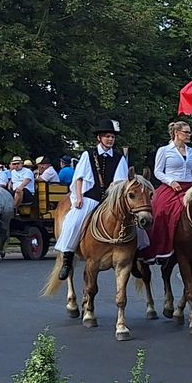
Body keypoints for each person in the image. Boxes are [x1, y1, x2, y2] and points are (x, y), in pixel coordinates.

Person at [55, 119, 129, 281]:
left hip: (110, 198)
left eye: (112, 137)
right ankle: (67, 259)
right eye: (107, 136)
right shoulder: (88, 155)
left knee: (133, 220)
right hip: (90, 196)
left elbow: (120, 181)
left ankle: (137, 256)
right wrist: (79, 197)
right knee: (73, 221)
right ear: (99, 138)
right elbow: (79, 177)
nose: (110, 139)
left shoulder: (119, 158)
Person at [145, 121, 192, 262]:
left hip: (189, 186)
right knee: (162, 209)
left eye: (189, 132)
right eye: (186, 132)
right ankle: (161, 247)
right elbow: (157, 171)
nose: (189, 135)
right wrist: (170, 181)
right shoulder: (164, 150)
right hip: (171, 186)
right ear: (177, 133)